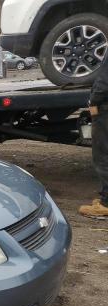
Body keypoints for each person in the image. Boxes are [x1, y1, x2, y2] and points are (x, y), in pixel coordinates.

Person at [79, 60, 108, 217]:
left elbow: (104, 80)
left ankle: (106, 204)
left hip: (105, 109)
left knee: (103, 156)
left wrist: (93, 100)